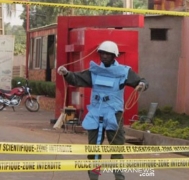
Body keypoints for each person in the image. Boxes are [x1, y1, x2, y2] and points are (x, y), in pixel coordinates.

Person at [57, 40, 149, 180]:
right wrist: (66, 73)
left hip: (114, 114)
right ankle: (94, 177)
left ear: (114, 56)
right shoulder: (94, 71)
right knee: (93, 150)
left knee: (116, 148)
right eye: (102, 53)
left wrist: (142, 84)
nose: (104, 56)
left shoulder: (124, 71)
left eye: (108, 54)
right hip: (96, 113)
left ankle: (119, 177)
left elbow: (141, 81)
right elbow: (76, 79)